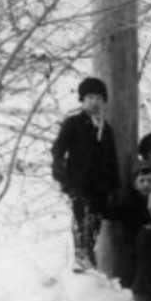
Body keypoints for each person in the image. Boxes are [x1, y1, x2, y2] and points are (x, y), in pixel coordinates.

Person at [51, 76, 119, 273]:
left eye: (98, 98)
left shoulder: (106, 129)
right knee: (81, 222)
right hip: (79, 184)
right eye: (89, 97)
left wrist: (114, 187)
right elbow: (57, 152)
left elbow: (112, 159)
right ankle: (81, 258)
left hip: (101, 187)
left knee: (95, 224)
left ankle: (89, 258)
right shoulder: (73, 123)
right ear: (82, 100)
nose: (94, 102)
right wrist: (64, 180)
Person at [107, 163, 151, 288]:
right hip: (135, 261)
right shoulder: (128, 205)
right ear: (135, 184)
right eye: (142, 181)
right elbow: (110, 212)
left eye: (150, 180)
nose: (146, 184)